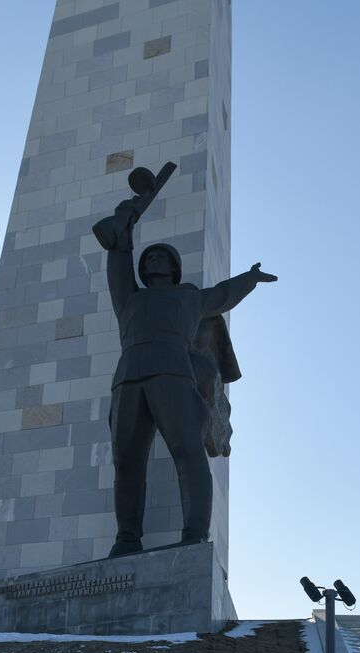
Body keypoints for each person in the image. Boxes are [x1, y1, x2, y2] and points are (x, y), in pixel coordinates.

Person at [98, 188, 276, 558]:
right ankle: (127, 538)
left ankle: (195, 533)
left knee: (188, 450)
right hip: (127, 379)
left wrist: (250, 278)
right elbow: (118, 254)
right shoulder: (129, 297)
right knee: (126, 462)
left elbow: (224, 294)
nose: (155, 260)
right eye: (150, 257)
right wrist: (125, 224)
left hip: (173, 374)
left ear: (174, 268)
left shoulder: (189, 296)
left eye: (163, 256)